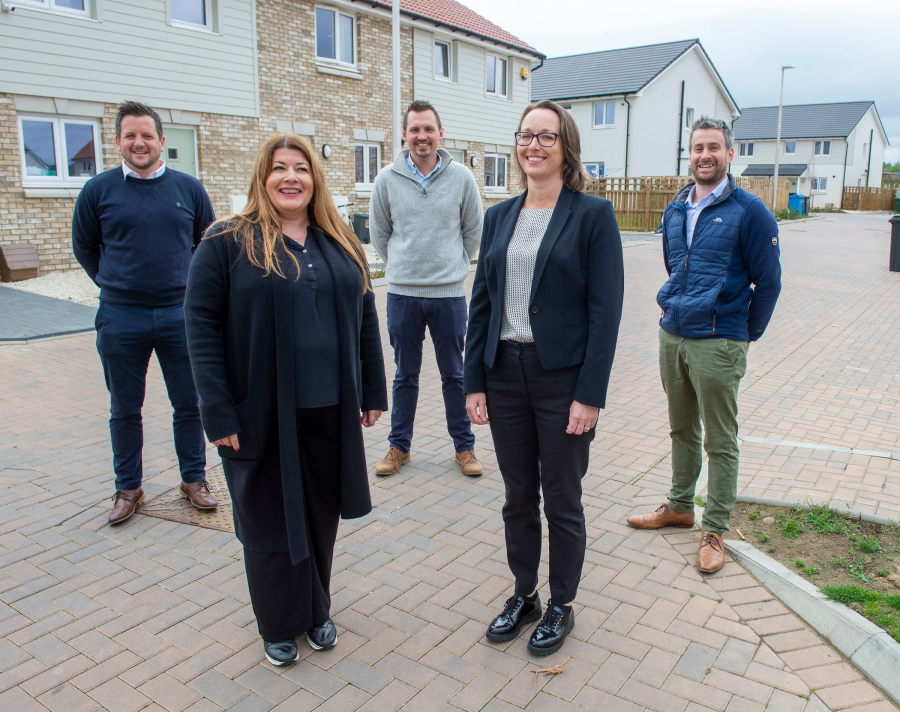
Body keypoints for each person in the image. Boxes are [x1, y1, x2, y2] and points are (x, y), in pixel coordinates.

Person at [184, 133, 387, 666]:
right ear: (262, 177)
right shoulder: (226, 242)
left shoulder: (338, 237)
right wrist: (218, 410)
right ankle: (278, 622)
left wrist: (371, 388)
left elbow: (365, 314)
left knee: (319, 513)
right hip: (261, 411)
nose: (291, 177)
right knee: (270, 518)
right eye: (279, 168)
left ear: (315, 179)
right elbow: (200, 327)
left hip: (329, 407)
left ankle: (317, 610)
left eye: (301, 168)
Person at [464, 100, 624, 655]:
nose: (534, 145)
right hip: (504, 372)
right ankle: (524, 593)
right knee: (515, 495)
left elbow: (606, 313)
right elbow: (481, 303)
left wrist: (589, 396)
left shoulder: (593, 215)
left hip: (563, 382)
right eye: (525, 135)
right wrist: (474, 381)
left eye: (546, 137)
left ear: (566, 146)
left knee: (561, 496)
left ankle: (561, 604)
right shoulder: (498, 216)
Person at [627, 116, 782, 574]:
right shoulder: (676, 209)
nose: (705, 155)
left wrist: (743, 334)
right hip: (673, 334)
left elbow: (768, 283)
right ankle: (679, 506)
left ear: (730, 154)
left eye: (714, 147)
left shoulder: (750, 212)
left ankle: (714, 528)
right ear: (689, 154)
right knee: (681, 428)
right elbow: (676, 267)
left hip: (719, 340)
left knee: (720, 439)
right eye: (697, 148)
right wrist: (671, 310)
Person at [72, 101, 217, 525]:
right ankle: (128, 487)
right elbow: (85, 246)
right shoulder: (97, 191)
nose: (139, 143)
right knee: (124, 408)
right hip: (121, 317)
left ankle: (193, 480)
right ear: (117, 141)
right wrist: (112, 283)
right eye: (130, 136)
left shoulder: (188, 189)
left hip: (179, 315)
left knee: (189, 403)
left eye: (147, 135)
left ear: (161, 141)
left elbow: (205, 246)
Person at [370, 100, 484, 477]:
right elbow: (379, 235)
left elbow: (473, 234)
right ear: (405, 135)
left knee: (455, 374)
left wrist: (449, 267)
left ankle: (464, 448)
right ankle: (398, 446)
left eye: (428, 129)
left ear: (440, 134)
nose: (422, 136)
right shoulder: (386, 179)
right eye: (414, 129)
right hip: (402, 294)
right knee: (405, 374)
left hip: (449, 295)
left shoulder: (462, 178)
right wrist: (405, 266)